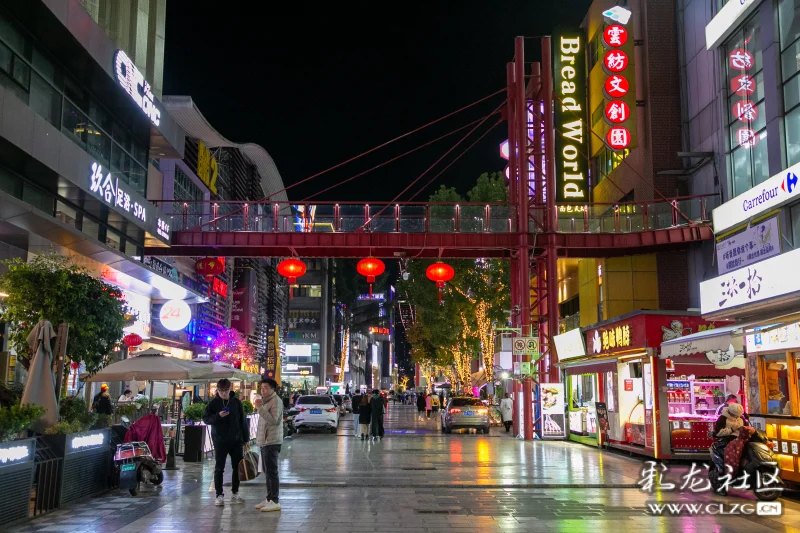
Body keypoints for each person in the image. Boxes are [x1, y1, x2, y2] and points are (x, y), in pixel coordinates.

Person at [203, 378, 249, 507]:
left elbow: (243, 421)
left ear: (230, 389)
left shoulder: (236, 403)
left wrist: (245, 439)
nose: (223, 393)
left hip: (236, 440)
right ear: (217, 390)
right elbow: (206, 419)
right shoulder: (213, 404)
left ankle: (235, 492)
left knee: (237, 467)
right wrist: (218, 416)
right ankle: (219, 494)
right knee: (219, 468)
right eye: (221, 391)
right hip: (220, 440)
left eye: (226, 390)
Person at [254, 377, 283, 513]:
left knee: (272, 472)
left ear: (273, 389)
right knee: (267, 472)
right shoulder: (267, 401)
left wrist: (260, 409)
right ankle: (269, 498)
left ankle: (275, 500)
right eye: (262, 388)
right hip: (265, 442)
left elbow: (274, 420)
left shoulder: (276, 401)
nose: (263, 390)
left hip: (271, 442)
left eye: (266, 388)